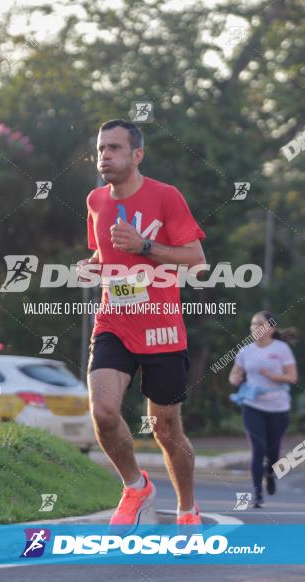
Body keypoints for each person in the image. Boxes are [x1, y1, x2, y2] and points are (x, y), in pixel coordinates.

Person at [78, 119, 207, 529]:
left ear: (137, 155)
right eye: (101, 149)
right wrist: (91, 267)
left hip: (162, 327)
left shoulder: (166, 197)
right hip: (114, 321)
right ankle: (135, 487)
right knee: (103, 410)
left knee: (166, 430)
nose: (105, 156)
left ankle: (187, 509)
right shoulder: (95, 201)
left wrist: (145, 245)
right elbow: (105, 257)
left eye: (114, 148)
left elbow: (196, 260)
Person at [228, 311, 298, 508]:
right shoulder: (245, 351)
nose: (255, 328)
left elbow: (292, 377)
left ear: (271, 328)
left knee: (273, 451)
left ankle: (271, 472)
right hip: (253, 406)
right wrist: (234, 378)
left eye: (260, 324)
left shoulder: (281, 349)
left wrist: (274, 377)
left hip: (278, 407)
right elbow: (236, 373)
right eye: (253, 324)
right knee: (258, 449)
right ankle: (257, 493)